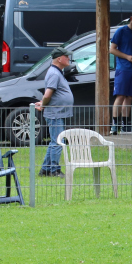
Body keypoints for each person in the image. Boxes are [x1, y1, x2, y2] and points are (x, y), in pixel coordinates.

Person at [35, 48, 74, 178]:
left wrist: (43, 103)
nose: (68, 58)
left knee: (54, 141)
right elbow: (48, 94)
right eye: (66, 56)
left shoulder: (56, 72)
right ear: (59, 58)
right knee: (57, 142)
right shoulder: (54, 74)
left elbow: (50, 95)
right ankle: (54, 170)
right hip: (55, 113)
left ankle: (45, 170)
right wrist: (43, 104)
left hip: (57, 112)